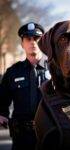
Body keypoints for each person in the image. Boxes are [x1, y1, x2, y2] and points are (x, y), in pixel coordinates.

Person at [0, 22, 50, 150]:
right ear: (22, 44)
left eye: (37, 38)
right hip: (21, 136)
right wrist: (2, 114)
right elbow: (2, 98)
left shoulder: (56, 69)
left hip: (50, 133)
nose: (33, 42)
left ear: (43, 42)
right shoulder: (13, 72)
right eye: (28, 39)